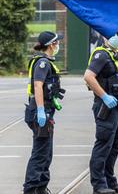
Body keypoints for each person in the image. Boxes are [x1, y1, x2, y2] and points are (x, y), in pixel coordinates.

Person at [84, 32, 118, 194]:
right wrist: (104, 96)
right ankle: (99, 184)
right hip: (106, 107)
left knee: (115, 145)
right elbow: (89, 77)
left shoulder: (116, 54)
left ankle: (110, 181)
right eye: (113, 34)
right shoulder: (101, 54)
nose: (117, 37)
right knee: (104, 144)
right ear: (104, 37)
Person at [23, 31, 64, 194]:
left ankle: (41, 186)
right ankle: (31, 188)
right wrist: (41, 110)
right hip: (41, 111)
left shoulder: (46, 61)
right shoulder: (42, 63)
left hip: (46, 110)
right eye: (56, 42)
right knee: (40, 153)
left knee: (46, 152)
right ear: (51, 45)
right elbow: (38, 86)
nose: (58, 45)